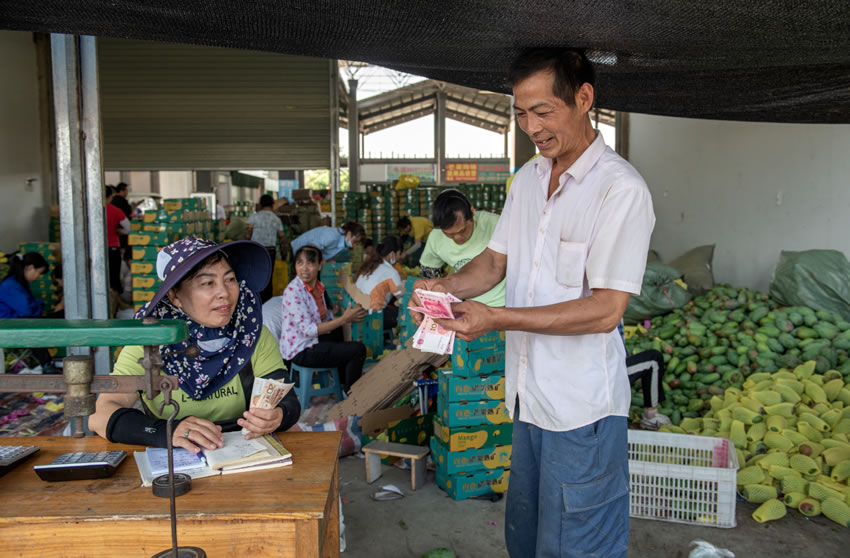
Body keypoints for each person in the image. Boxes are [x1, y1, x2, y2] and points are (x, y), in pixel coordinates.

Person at [411, 49, 654, 557]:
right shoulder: (526, 180)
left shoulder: (620, 190)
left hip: (581, 410)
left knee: (577, 544)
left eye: (543, 111)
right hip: (527, 399)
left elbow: (606, 309)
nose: (532, 127)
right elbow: (494, 264)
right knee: (528, 535)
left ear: (584, 98)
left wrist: (496, 318)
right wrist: (445, 290)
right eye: (521, 113)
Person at [89, 237, 301, 452]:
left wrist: (278, 416)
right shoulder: (150, 343)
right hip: (174, 461)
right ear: (175, 296)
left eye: (230, 279)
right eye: (208, 283)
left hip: (243, 452)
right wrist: (166, 431)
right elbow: (100, 414)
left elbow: (287, 401)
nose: (225, 293)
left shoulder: (252, 334)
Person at [278, 245, 367, 392]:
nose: (304, 268)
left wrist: (342, 311)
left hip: (312, 341)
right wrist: (344, 319)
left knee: (339, 333)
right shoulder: (293, 291)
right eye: (300, 263)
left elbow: (324, 318)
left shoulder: (319, 287)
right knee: (358, 350)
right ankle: (351, 394)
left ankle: (343, 381)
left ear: (319, 265)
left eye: (310, 263)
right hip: (301, 350)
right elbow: (309, 330)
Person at [419, 189, 506, 308]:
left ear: (472, 211)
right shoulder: (436, 238)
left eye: (462, 230)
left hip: (505, 304)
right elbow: (428, 273)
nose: (457, 237)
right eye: (449, 234)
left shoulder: (496, 224)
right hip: (468, 307)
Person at [0, 252, 57, 372]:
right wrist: (40, 304)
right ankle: (46, 364)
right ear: (30, 268)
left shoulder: (17, 284)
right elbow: (27, 310)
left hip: (17, 324)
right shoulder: (10, 285)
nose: (38, 277)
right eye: (38, 272)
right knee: (40, 326)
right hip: (11, 327)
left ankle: (47, 362)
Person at [354, 236, 404, 329]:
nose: (400, 257)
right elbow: (402, 298)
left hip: (358, 310)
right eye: (399, 254)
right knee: (405, 314)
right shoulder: (391, 272)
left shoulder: (370, 265)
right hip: (372, 316)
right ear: (392, 254)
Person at [245, 194, 285, 302]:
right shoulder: (276, 219)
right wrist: (283, 253)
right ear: (272, 204)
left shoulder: (254, 216)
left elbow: (248, 234)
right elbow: (282, 238)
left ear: (261, 204)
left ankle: (256, 299)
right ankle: (268, 301)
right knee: (268, 277)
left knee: (256, 275)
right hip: (270, 251)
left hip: (256, 250)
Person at [289, 221, 365, 263]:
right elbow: (311, 247)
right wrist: (322, 260)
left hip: (306, 260)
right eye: (355, 242)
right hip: (295, 253)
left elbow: (330, 257)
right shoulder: (332, 235)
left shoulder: (343, 246)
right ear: (349, 234)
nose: (354, 246)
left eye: (357, 244)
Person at [105, 186, 131, 294]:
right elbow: (129, 228)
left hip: (94, 250)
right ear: (110, 197)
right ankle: (114, 304)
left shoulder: (89, 211)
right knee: (113, 279)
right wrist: (120, 231)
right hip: (113, 248)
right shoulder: (115, 211)